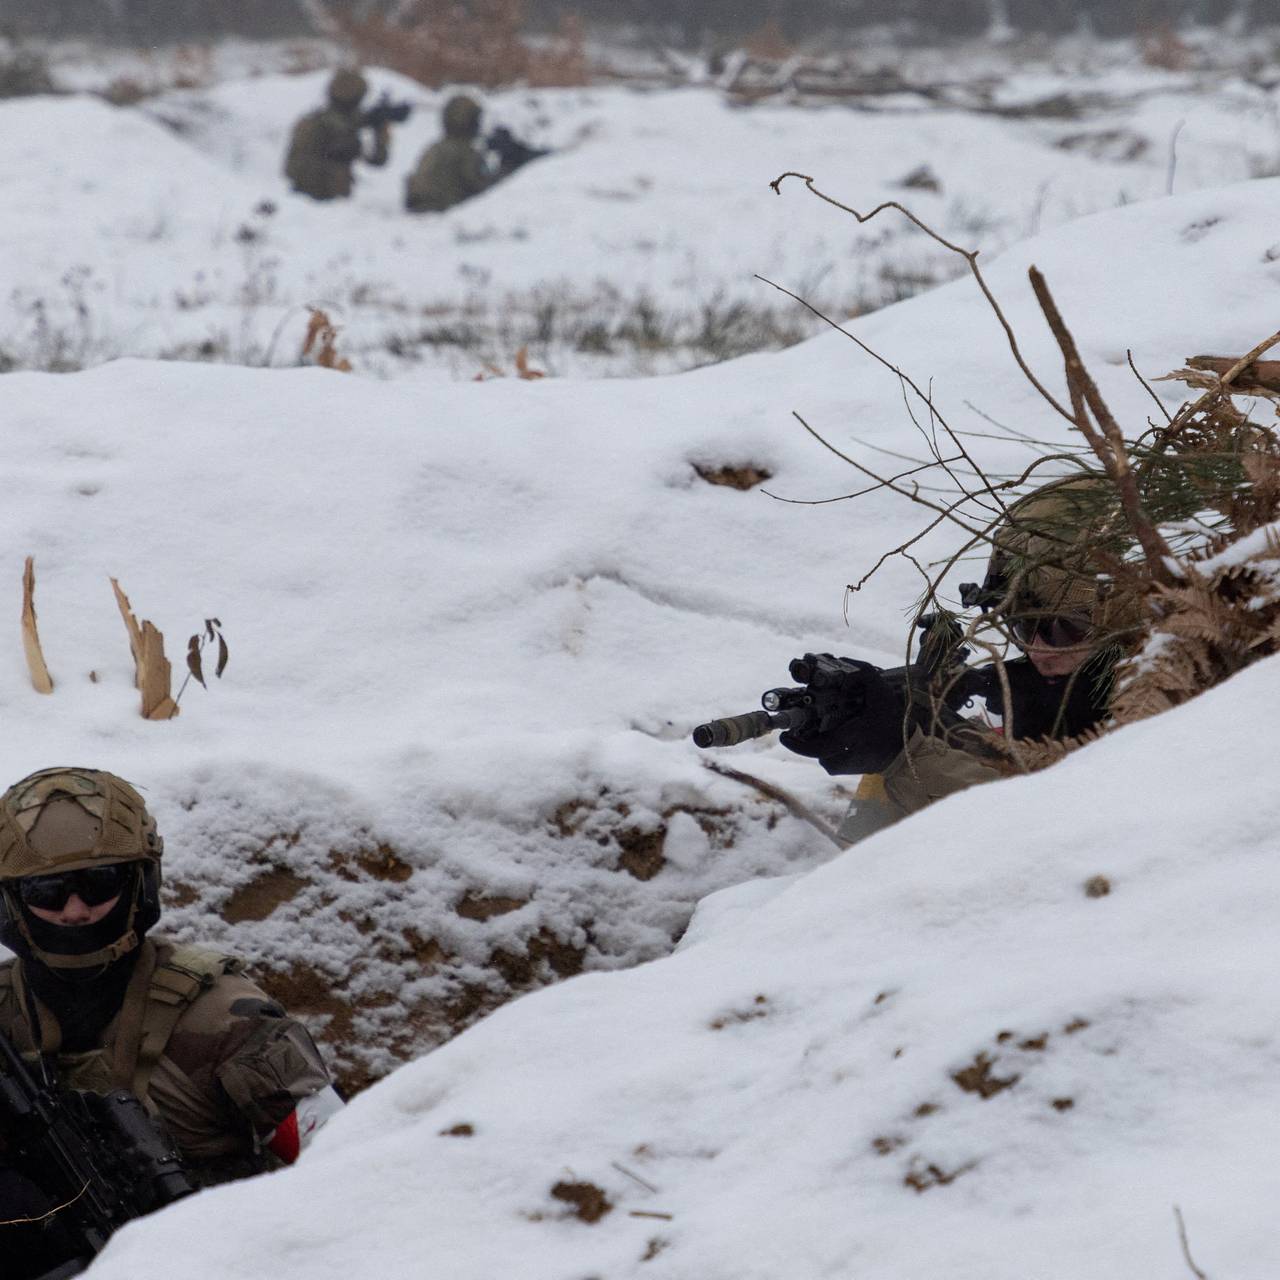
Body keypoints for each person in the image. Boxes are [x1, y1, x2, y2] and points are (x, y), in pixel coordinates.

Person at [0, 766, 342, 1212]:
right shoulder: (7, 1011)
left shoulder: (226, 1019)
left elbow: (352, 1175)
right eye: (45, 891)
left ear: (140, 883)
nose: (75, 910)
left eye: (99, 882)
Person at [780, 476, 1144, 839]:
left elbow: (1052, 836)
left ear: (1132, 623)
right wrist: (933, 719)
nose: (1037, 648)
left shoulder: (1174, 707)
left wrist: (905, 755)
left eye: (1067, 629)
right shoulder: (1059, 680)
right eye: (1019, 623)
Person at [284, 67, 390, 200]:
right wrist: (381, 130)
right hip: (322, 192)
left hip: (304, 189)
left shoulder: (315, 119)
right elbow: (376, 159)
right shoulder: (332, 125)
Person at [404, 93, 494, 213]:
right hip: (445, 209)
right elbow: (482, 187)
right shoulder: (466, 152)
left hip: (421, 207)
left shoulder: (434, 147)